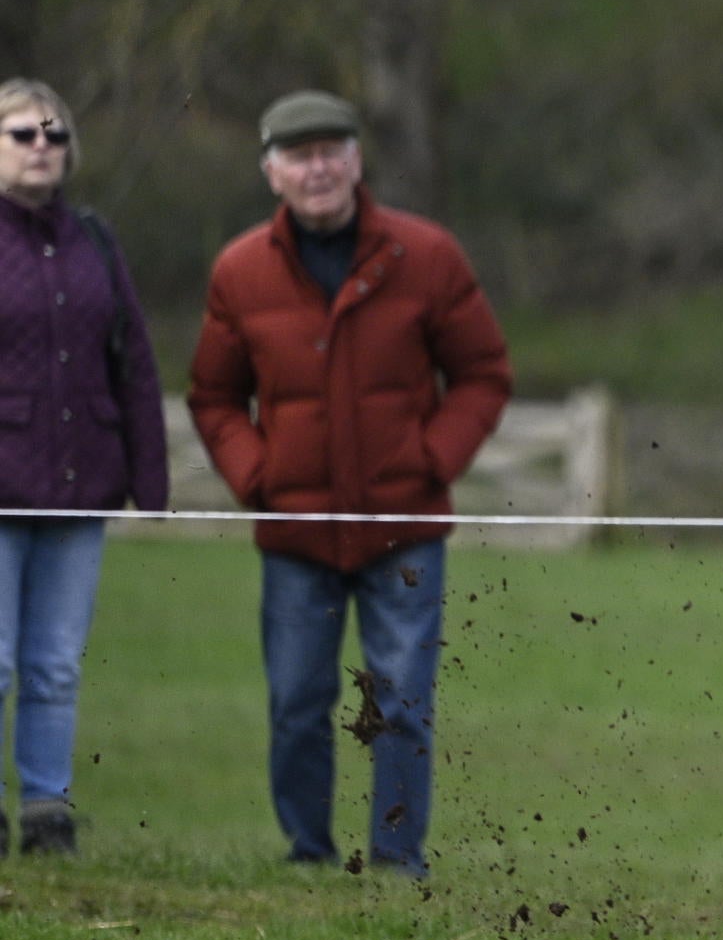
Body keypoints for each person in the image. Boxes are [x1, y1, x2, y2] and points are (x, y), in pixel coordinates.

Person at [187, 91, 511, 881]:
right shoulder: (239, 271)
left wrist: (431, 459)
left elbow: (482, 374)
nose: (319, 167)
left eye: (333, 150)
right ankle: (307, 853)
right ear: (273, 173)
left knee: (400, 702)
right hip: (295, 534)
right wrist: (256, 474)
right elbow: (214, 398)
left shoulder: (426, 256)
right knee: (298, 702)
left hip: (406, 532)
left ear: (358, 162)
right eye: (300, 155)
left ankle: (400, 859)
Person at [0, 79, 169, 856]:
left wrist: (151, 479)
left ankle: (47, 811)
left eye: (54, 135)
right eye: (22, 134)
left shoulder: (94, 241)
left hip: (78, 488)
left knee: (56, 665)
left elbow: (132, 359)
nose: (41, 148)